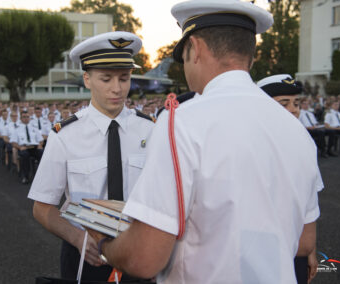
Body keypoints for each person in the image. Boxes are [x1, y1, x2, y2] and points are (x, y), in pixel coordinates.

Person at [88, 1, 323, 284]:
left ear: (196, 48)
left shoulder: (181, 122)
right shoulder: (297, 131)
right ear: (250, 55)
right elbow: (304, 241)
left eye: (183, 57)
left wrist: (104, 245)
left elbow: (144, 258)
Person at [27, 31, 155, 281]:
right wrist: (78, 238)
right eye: (106, 79)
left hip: (140, 254)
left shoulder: (151, 129)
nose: (116, 89)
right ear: (87, 79)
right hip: (85, 256)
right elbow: (42, 207)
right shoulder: (65, 136)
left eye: (124, 78)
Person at [257, 74, 320, 283]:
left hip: (296, 247)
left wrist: (311, 249)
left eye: (296, 103)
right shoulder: (251, 143)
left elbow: (308, 202)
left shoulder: (305, 141)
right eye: (284, 104)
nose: (293, 109)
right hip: (257, 247)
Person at [10, 111, 43, 184]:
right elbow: (13, 142)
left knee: (42, 153)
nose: (26, 118)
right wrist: (19, 147)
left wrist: (40, 145)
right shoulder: (17, 129)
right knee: (25, 155)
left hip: (34, 147)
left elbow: (40, 140)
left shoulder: (34, 128)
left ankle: (42, 176)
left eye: (27, 117)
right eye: (24, 117)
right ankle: (25, 176)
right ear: (21, 118)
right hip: (23, 148)